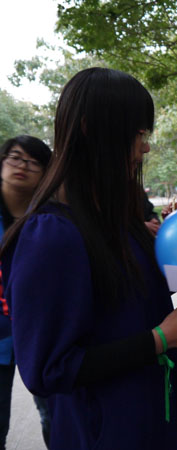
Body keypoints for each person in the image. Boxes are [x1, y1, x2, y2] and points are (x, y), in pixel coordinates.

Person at [0, 68, 177, 450]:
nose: (145, 148)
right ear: (89, 129)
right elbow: (47, 368)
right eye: (137, 134)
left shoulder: (115, 217)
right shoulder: (51, 236)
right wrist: (161, 339)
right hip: (106, 431)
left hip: (151, 418)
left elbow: (126, 298)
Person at [0, 136, 52, 449]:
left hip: (43, 336)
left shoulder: (49, 219)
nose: (22, 166)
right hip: (1, 338)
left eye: (33, 162)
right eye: (16, 157)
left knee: (53, 415)